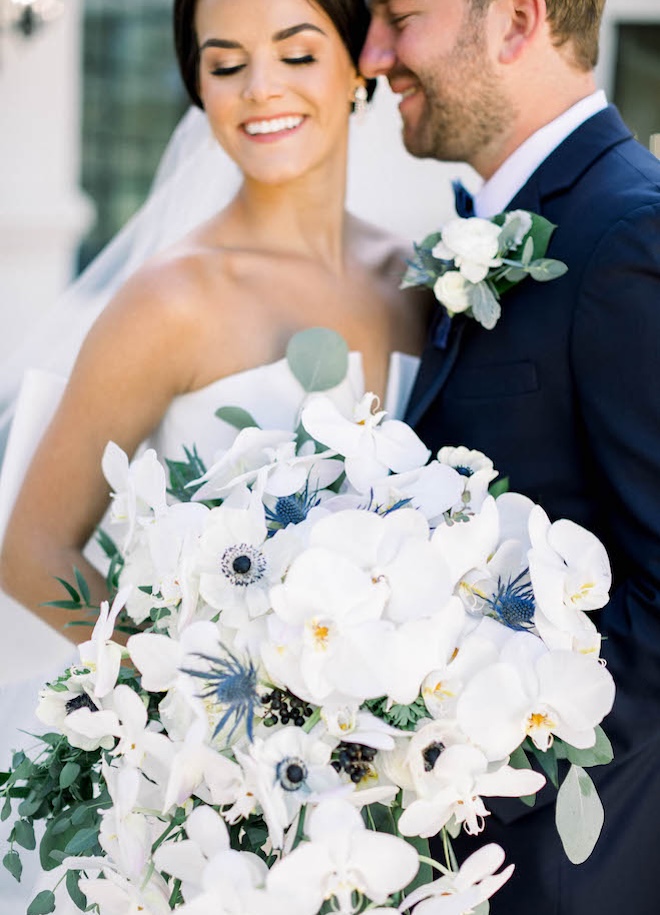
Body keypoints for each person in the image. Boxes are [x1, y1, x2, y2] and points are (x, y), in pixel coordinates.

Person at [0, 0, 428, 644]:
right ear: (199, 86)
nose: (260, 89)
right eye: (227, 65)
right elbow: (31, 552)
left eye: (298, 55)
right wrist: (177, 686)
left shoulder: (419, 281)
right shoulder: (169, 302)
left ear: (358, 65)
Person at [360, 1, 660, 914]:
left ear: (518, 22)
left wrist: (463, 751)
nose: (373, 54)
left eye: (399, 16)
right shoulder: (503, 228)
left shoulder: (630, 236)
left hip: (567, 870)